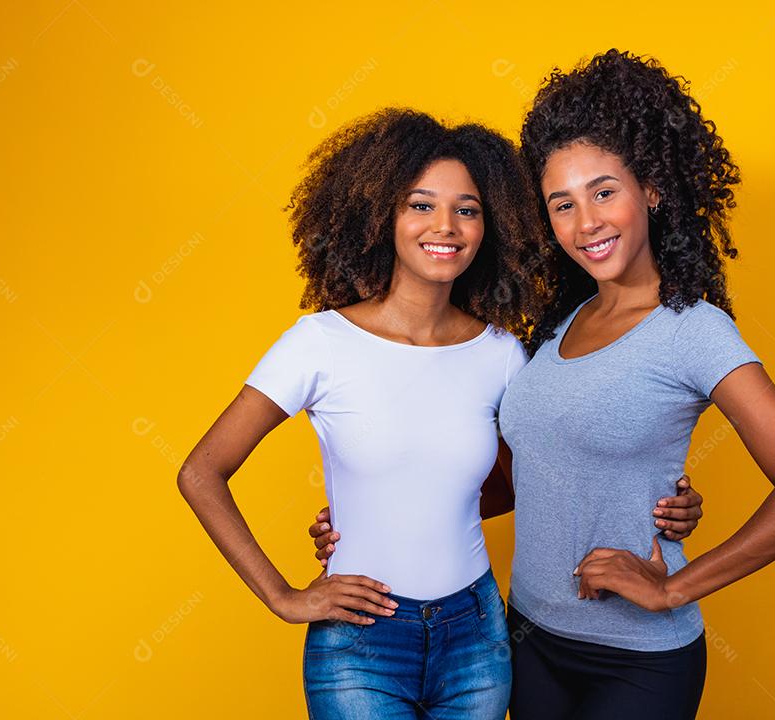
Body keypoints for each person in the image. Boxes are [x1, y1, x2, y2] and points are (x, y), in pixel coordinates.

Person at [314, 49, 775, 720]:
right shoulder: (557, 328)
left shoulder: (693, 329)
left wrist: (674, 588)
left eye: (603, 191)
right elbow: (518, 483)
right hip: (529, 640)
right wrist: (375, 514)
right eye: (561, 204)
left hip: (637, 661)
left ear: (650, 188)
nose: (585, 222)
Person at [178, 107, 703, 720]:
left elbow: (534, 479)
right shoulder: (317, 344)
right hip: (361, 640)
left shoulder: (504, 355)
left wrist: (659, 503)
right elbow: (200, 472)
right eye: (421, 205)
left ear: (491, 226)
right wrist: (283, 596)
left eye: (468, 209)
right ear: (383, 216)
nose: (446, 226)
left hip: (477, 633)